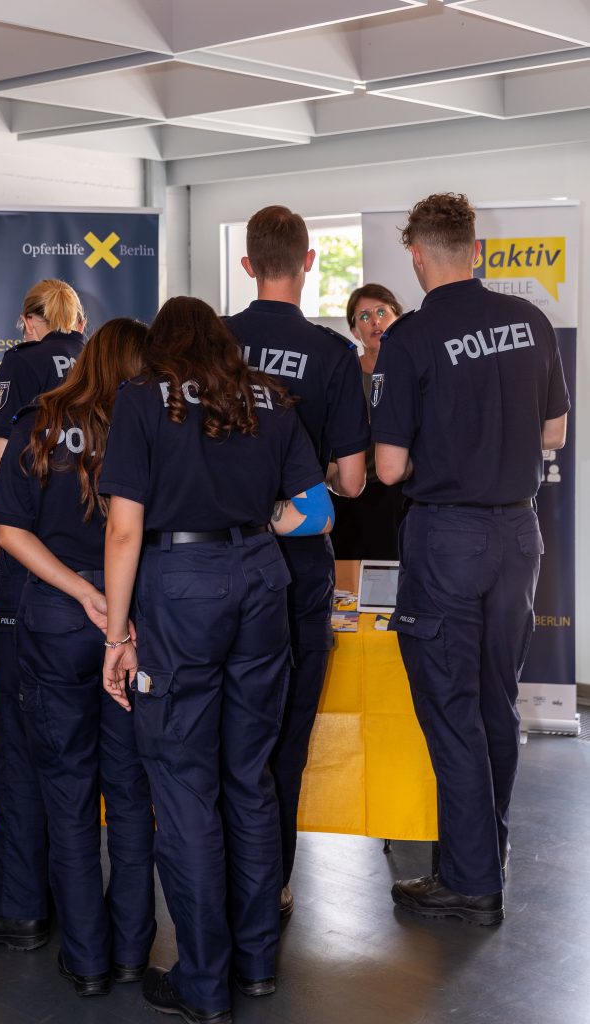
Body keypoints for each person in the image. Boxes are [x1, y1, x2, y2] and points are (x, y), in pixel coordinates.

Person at [99, 296, 334, 1023]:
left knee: (184, 786)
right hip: (262, 577)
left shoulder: (141, 398)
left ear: (162, 345)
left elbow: (123, 530)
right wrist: (258, 523)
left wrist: (116, 635)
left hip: (181, 588)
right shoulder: (263, 393)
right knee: (249, 777)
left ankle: (203, 983)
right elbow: (318, 509)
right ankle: (256, 963)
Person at [371, 193, 569, 925]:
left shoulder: (411, 336)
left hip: (447, 537)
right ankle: (488, 847)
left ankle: (469, 880)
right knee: (492, 702)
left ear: (417, 255)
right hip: (519, 536)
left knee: (450, 710)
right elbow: (553, 434)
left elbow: (387, 469)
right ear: (476, 251)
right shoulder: (530, 321)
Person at [0, 318, 155, 996]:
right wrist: (113, 606)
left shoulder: (41, 420)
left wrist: (79, 591)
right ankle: (133, 952)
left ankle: (86, 959)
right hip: (132, 622)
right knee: (133, 792)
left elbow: (8, 530)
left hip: (58, 619)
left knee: (67, 789)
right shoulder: (150, 423)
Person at [225, 206, 369, 916]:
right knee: (282, 735)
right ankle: (269, 884)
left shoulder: (210, 345)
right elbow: (351, 481)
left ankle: (208, 877)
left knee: (209, 729)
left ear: (247, 264)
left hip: (212, 564)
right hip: (297, 567)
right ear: (308, 262)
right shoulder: (334, 354)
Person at [0, 279, 85, 950]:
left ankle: (18, 903)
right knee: (86, 755)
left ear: (31, 321)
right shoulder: (103, 362)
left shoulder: (22, 362)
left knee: (18, 745)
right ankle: (80, 900)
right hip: (101, 583)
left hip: (32, 583)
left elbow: (1, 472)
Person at [330, 283, 407, 560]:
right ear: (354, 331)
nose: (375, 322)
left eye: (382, 312)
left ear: (397, 318)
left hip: (399, 494)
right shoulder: (343, 374)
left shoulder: (413, 372)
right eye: (364, 316)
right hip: (349, 493)